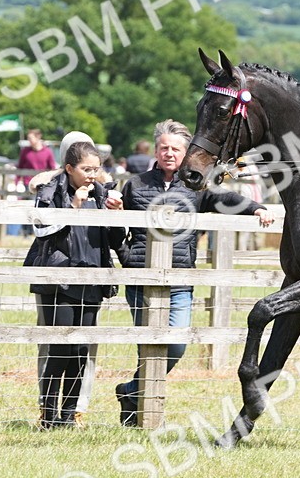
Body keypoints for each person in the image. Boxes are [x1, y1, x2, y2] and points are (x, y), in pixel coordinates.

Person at [115, 119, 275, 426]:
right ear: (156, 150)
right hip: (141, 280)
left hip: (180, 280)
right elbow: (118, 226)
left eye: (175, 149)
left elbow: (225, 198)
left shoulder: (195, 185)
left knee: (176, 345)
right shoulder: (135, 185)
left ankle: (131, 390)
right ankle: (143, 413)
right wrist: (127, 256)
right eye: (164, 148)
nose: (169, 154)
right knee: (149, 345)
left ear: (186, 152)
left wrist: (256, 207)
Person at [26, 141, 126, 428]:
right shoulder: (50, 191)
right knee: (59, 350)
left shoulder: (103, 193)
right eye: (86, 169)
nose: (92, 175)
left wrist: (118, 215)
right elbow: (41, 230)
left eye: (96, 169)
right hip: (60, 279)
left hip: (93, 277)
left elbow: (115, 239)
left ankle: (69, 415)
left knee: (81, 351)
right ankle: (48, 413)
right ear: (69, 168)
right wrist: (73, 206)